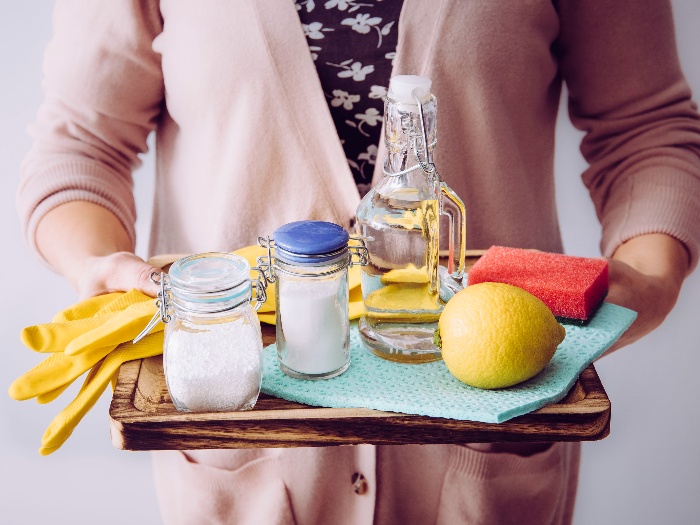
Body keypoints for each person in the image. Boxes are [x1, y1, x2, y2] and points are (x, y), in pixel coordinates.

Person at [17, 1, 700, 523]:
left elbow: (645, 128)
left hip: (490, 441)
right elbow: (83, 140)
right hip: (243, 441)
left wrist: (650, 273)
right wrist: (99, 263)